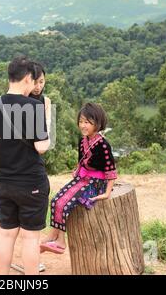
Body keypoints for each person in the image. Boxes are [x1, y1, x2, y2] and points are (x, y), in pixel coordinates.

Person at [0, 56, 50, 275]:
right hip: (31, 182)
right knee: (30, 237)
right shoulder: (33, 107)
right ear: (28, 79)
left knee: (6, 233)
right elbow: (41, 147)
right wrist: (46, 128)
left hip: (3, 182)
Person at [40, 103, 117, 254]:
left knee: (64, 203)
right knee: (56, 200)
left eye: (87, 122)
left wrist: (107, 193)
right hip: (82, 178)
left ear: (98, 123)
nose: (83, 125)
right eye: (81, 121)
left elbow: (111, 170)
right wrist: (77, 169)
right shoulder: (83, 140)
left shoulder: (103, 145)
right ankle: (53, 235)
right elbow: (81, 159)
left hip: (96, 184)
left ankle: (61, 242)